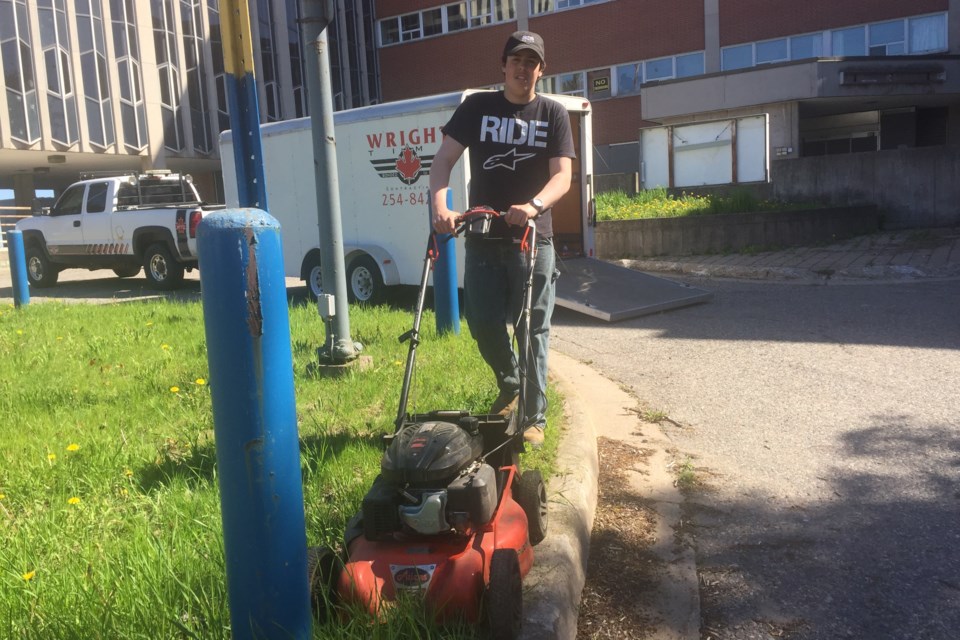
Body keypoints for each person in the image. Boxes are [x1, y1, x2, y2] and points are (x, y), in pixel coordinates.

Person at [430, 31, 575, 448]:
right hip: (482, 238)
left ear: (541, 70)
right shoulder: (477, 107)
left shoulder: (552, 113)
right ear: (503, 65)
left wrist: (533, 205)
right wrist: (440, 204)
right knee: (482, 322)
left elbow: (563, 176)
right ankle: (511, 383)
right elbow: (442, 161)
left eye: (532, 62)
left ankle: (534, 417)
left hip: (532, 239)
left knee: (532, 329)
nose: (523, 68)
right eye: (516, 59)